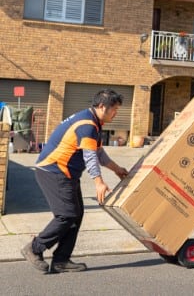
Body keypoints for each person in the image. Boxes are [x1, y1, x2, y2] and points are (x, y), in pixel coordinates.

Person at [21, 89, 129, 273]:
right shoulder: (87, 124)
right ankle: (34, 248)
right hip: (54, 171)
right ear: (102, 106)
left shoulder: (94, 123)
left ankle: (61, 260)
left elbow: (98, 153)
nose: (116, 113)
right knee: (66, 215)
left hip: (66, 174)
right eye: (114, 109)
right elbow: (89, 157)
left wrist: (118, 170)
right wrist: (98, 182)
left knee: (76, 215)